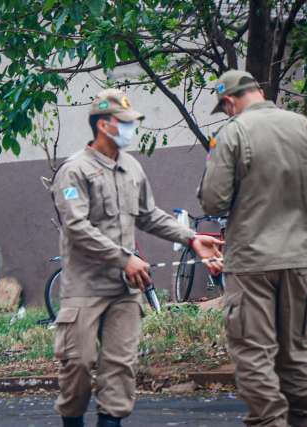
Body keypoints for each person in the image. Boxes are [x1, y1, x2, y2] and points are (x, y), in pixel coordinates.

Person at [50, 89, 223, 427]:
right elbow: (76, 227)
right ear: (102, 125)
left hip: (124, 290)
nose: (131, 128)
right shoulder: (75, 171)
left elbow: (148, 215)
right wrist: (123, 258)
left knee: (119, 369)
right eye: (124, 122)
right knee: (78, 366)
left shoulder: (131, 167)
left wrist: (191, 239)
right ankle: (72, 420)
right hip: (85, 287)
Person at [199, 70, 307, 427]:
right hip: (299, 257)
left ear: (228, 102)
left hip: (251, 263)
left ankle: (270, 423)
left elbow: (214, 201)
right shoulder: (305, 127)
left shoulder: (232, 133)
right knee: (296, 353)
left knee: (254, 354)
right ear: (258, 91)